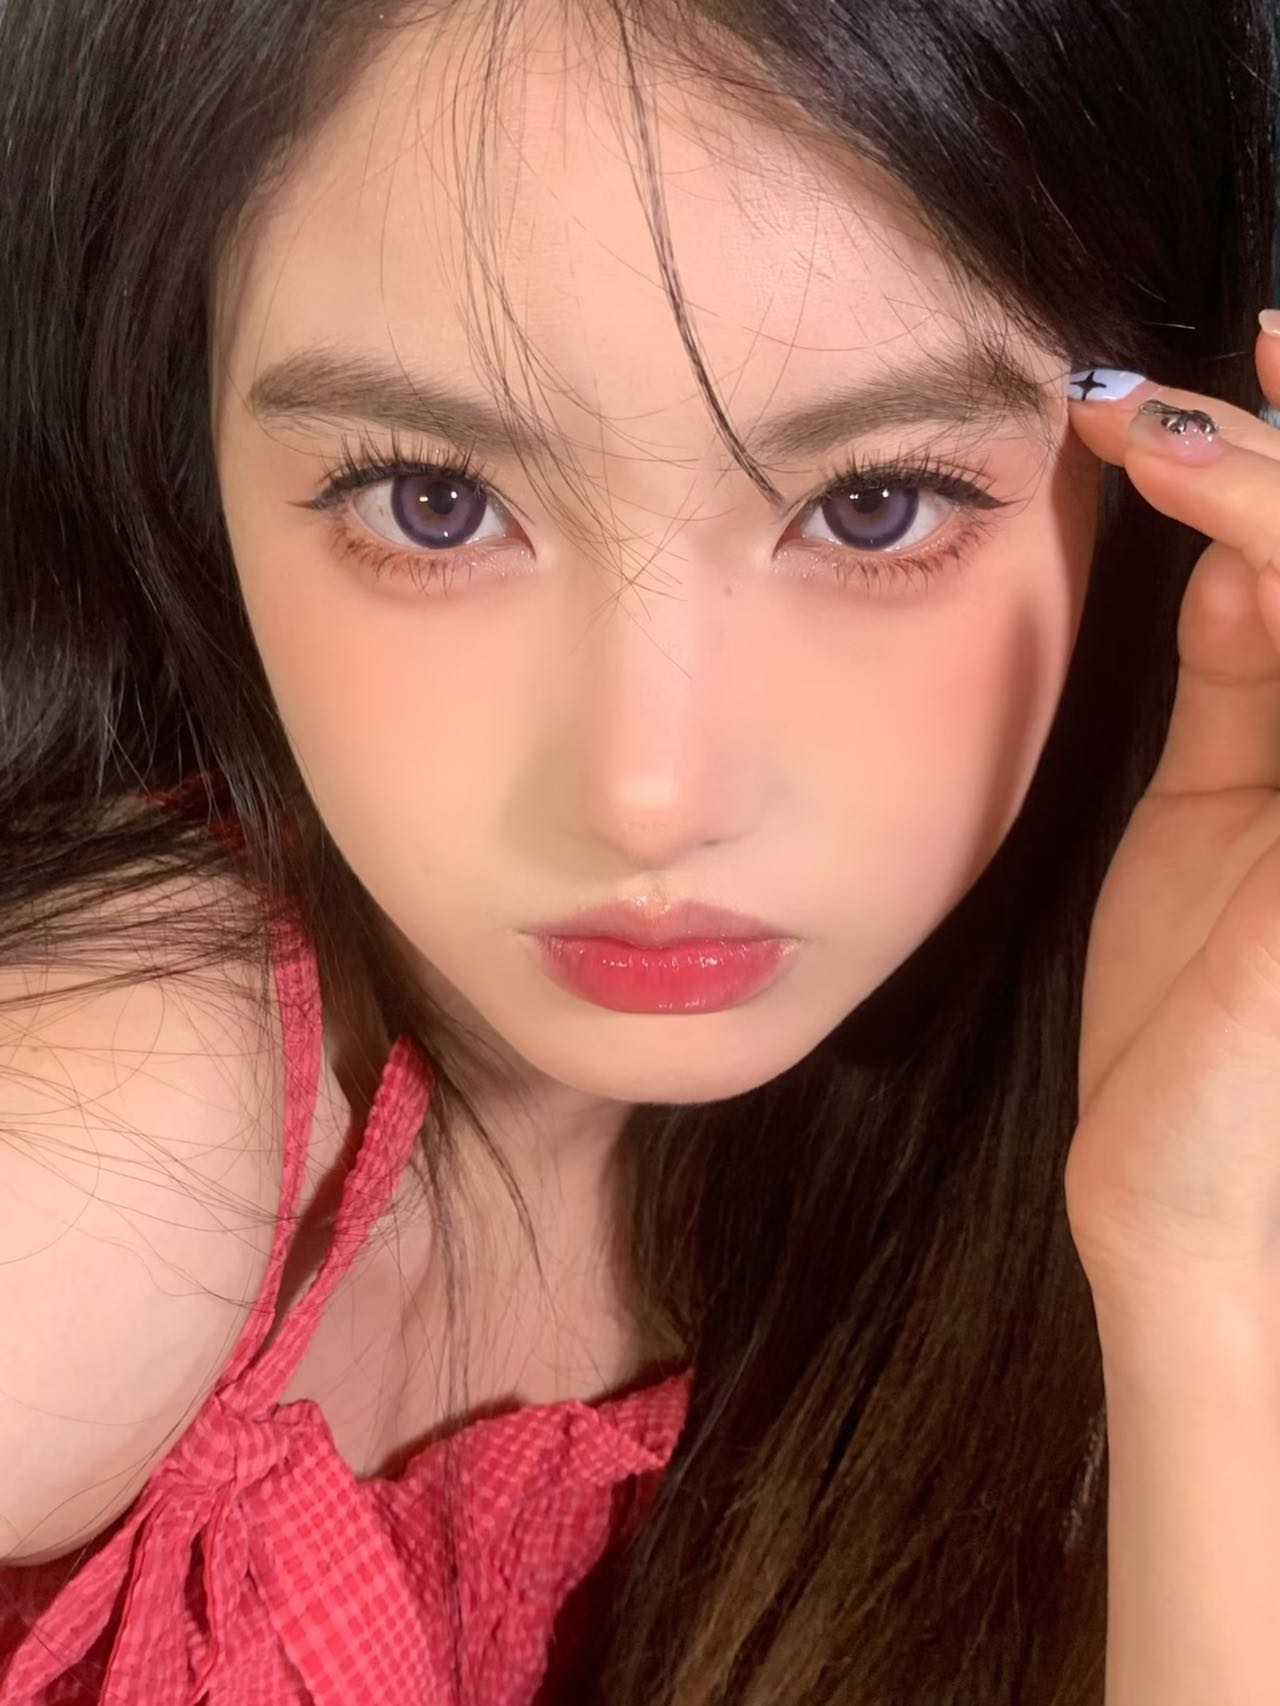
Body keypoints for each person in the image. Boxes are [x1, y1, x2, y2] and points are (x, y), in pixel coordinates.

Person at [0, 0, 1278, 1699]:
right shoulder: (123, 1114)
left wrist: (1197, 1275)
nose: (649, 794)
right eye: (434, 499)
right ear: (184, 445)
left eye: (875, 503)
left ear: (1151, 486)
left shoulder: (1081, 1162)